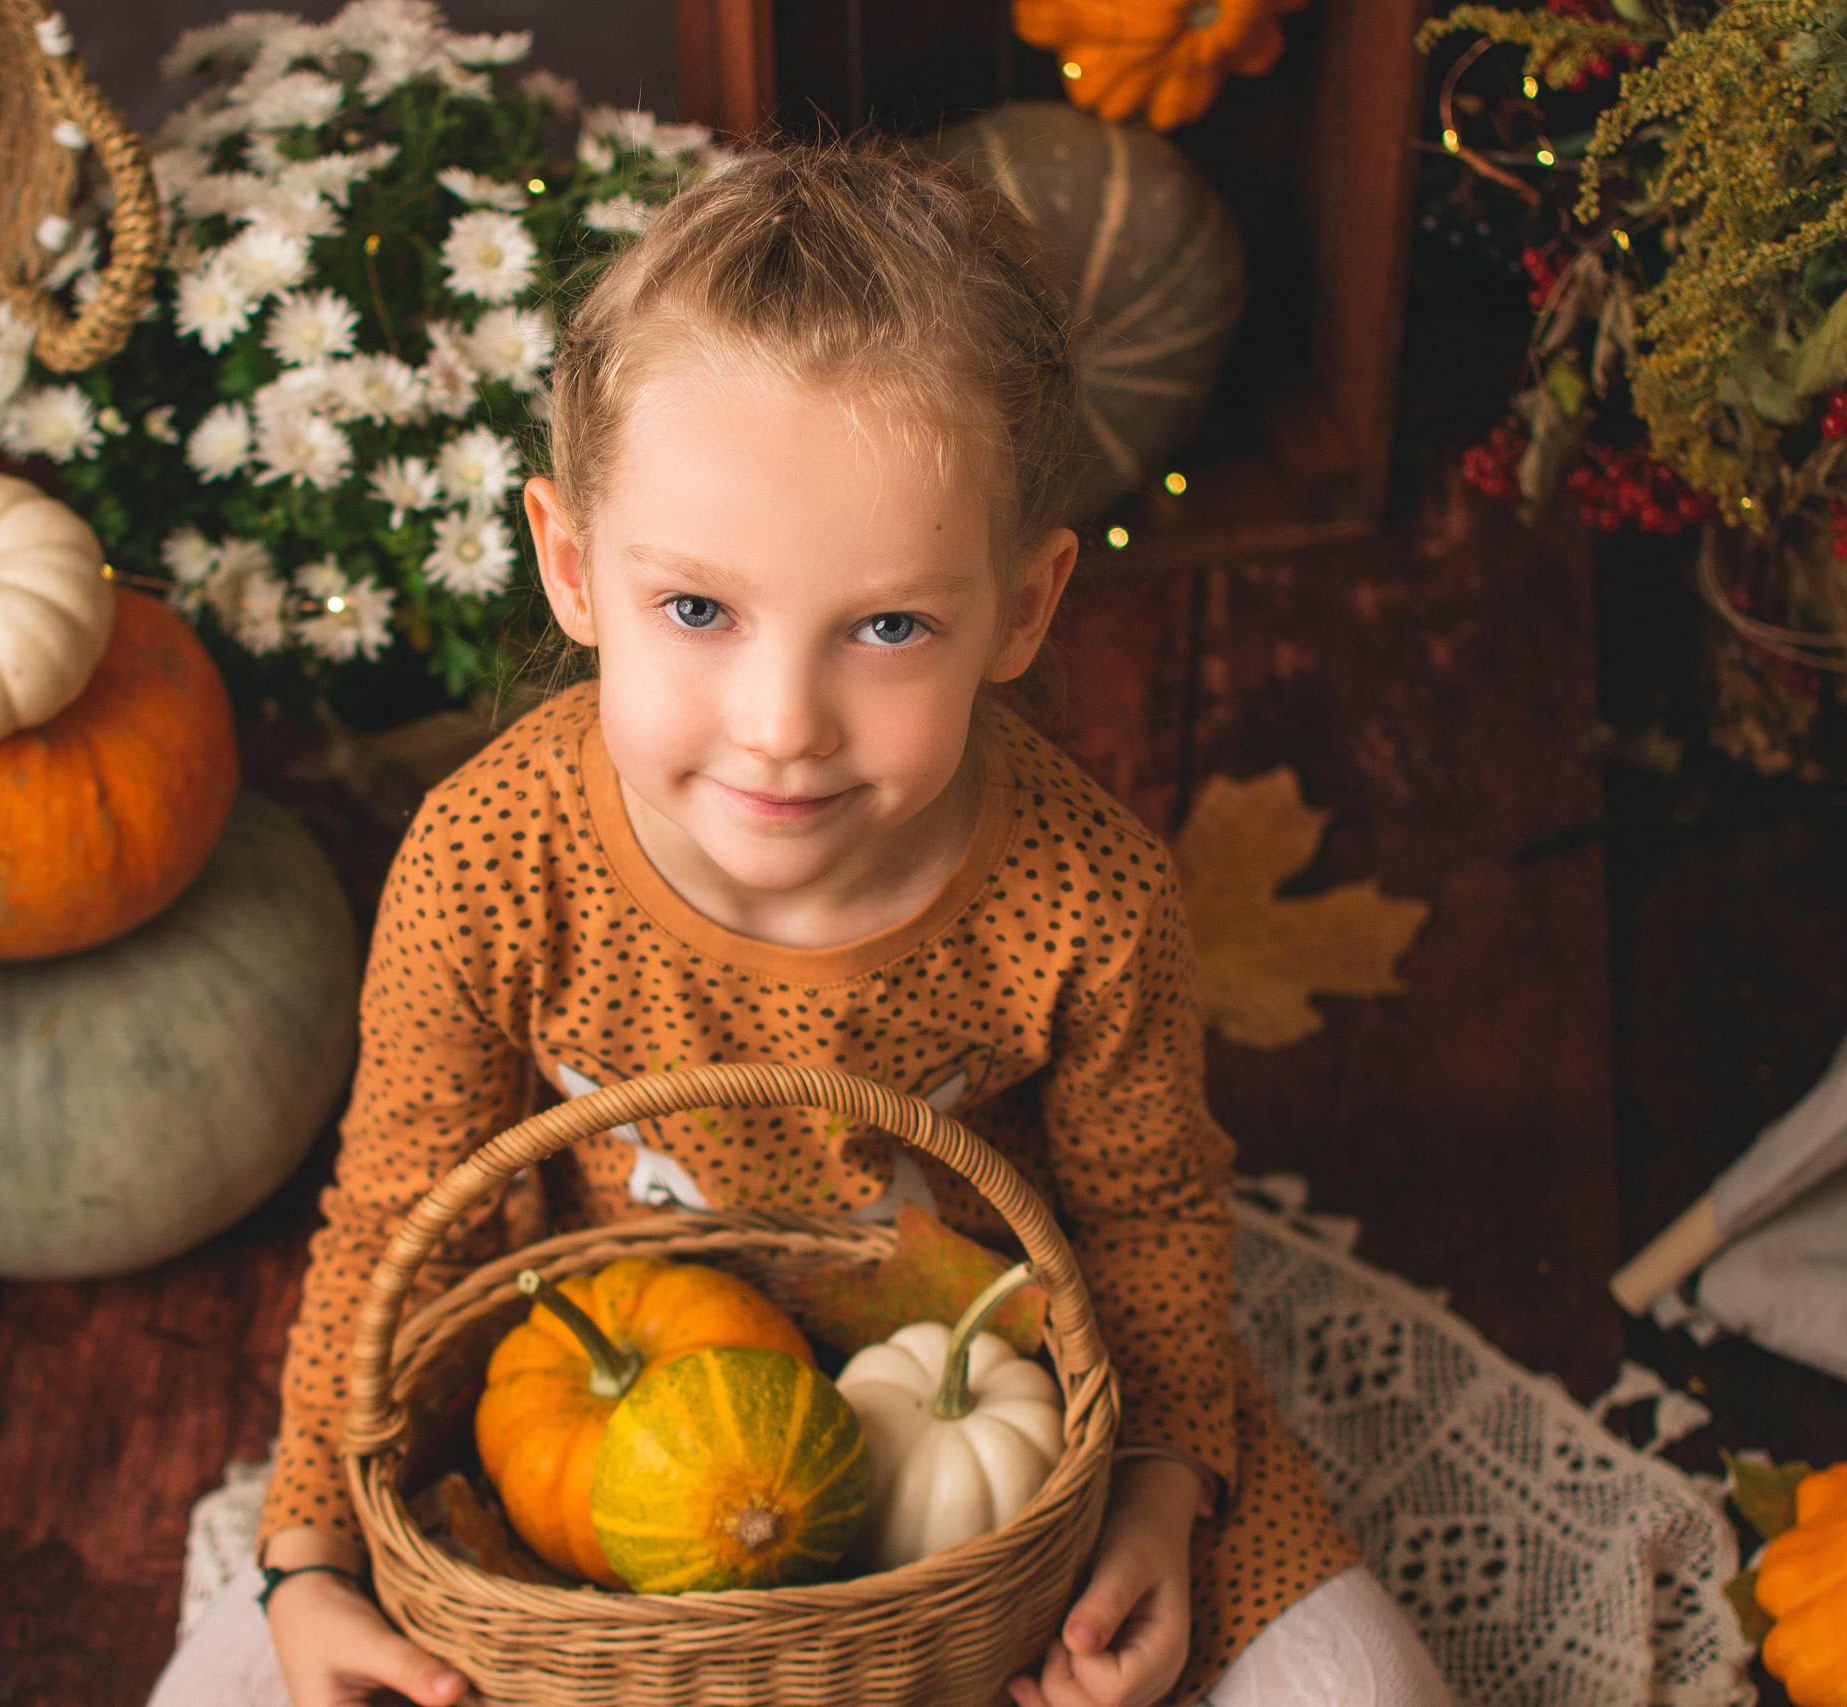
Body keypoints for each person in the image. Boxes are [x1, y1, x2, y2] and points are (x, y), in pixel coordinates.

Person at [165, 141, 1452, 1707]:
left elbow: (1149, 1216)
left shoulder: (1084, 896)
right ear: (573, 569)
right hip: (603, 1397)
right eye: (696, 610)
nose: (782, 726)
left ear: (1023, 610)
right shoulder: (491, 856)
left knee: (1367, 1692)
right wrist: (307, 1554)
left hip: (998, 1399)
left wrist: (1160, 1496)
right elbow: (391, 1207)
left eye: (890, 626)